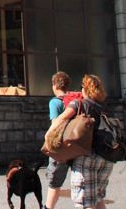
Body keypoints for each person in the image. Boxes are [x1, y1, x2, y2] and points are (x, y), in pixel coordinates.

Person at [54, 74, 112, 209]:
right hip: (107, 158)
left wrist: (49, 137)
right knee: (97, 198)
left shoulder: (79, 104)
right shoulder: (104, 107)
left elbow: (60, 120)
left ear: (85, 89)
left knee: (85, 202)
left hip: (87, 158)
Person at [45, 71, 81, 209]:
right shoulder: (75, 100)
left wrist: (48, 139)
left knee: (54, 182)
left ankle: (48, 207)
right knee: (79, 180)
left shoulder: (55, 102)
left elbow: (55, 124)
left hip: (61, 146)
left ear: (55, 85)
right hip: (77, 145)